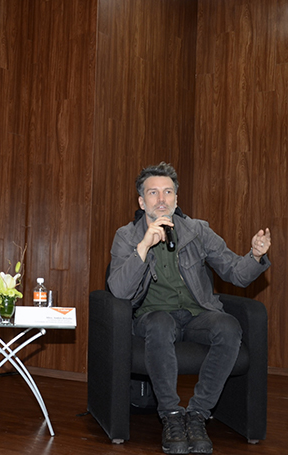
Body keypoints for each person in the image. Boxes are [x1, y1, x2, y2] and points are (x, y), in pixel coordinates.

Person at [107, 162, 271, 455]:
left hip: (196, 316)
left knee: (228, 326)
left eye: (168, 192)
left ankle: (197, 415)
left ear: (176, 199)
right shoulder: (127, 236)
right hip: (153, 317)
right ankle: (171, 415)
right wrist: (144, 246)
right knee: (160, 323)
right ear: (142, 201)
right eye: (153, 193)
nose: (162, 199)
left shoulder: (197, 231)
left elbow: (234, 271)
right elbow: (118, 290)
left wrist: (255, 256)